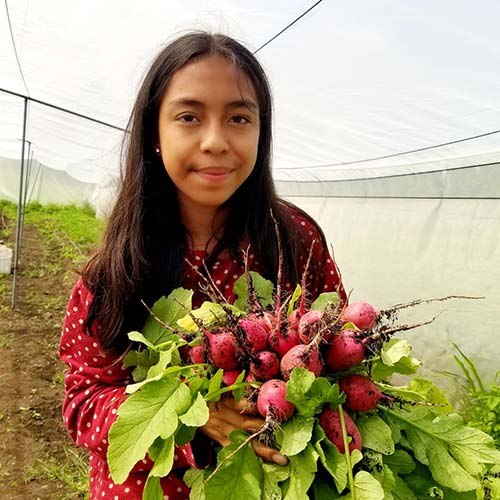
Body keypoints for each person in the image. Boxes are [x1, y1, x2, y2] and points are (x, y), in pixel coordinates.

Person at [59, 31, 345, 500]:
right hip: (149, 485)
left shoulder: (295, 239)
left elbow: (335, 345)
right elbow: (83, 402)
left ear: (261, 132)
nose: (215, 141)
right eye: (189, 117)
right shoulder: (115, 269)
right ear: (154, 132)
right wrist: (192, 413)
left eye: (238, 118)